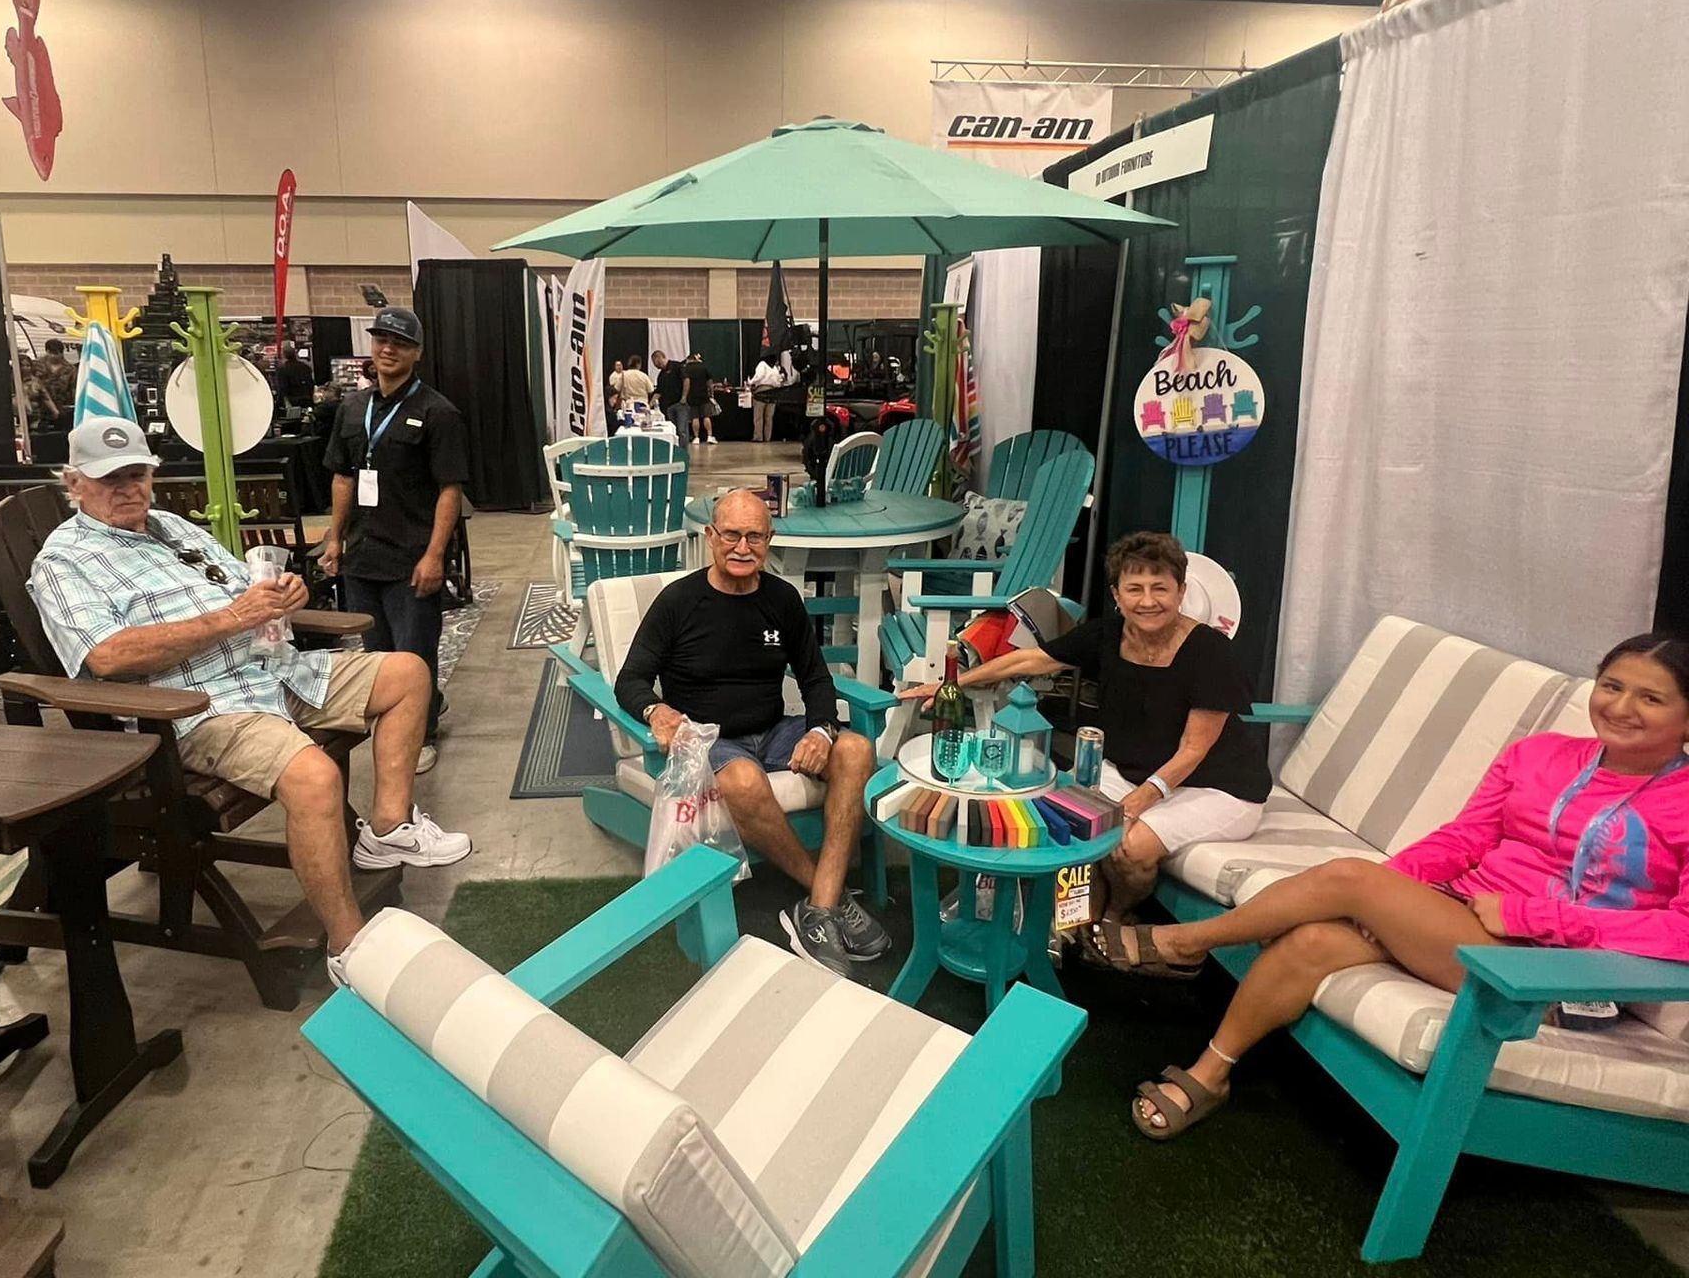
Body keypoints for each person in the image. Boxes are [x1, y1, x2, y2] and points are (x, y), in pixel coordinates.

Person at [1108, 632, 1689, 1139]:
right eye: (1611, 685)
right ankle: (1210, 1075)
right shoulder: (1540, 754)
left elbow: (1682, 932)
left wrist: (1532, 917)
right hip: (1460, 921)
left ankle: (1185, 943)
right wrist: (1391, 898)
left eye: (1651, 697)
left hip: (1558, 973)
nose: (1621, 706)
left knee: (1351, 879)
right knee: (1315, 938)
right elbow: (1465, 837)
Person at [28, 418, 460, 988]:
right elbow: (105, 657)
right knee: (313, 777)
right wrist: (232, 618)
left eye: (137, 474)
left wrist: (285, 598)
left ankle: (386, 828)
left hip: (276, 670)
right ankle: (349, 947)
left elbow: (247, 594)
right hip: (198, 707)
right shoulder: (65, 562)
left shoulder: (174, 529)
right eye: (109, 479)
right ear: (74, 483)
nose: (127, 489)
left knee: (407, 673)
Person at [901, 531, 1269, 925]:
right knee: (1054, 813)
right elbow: (1030, 661)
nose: (1148, 601)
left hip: (1216, 787)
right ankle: (1077, 914)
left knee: (1130, 846)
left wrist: (1139, 803)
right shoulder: (1108, 633)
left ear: (1181, 592)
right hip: (1130, 770)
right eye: (1135, 588)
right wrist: (953, 684)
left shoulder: (1209, 653)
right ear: (1117, 594)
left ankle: (1113, 919)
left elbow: (1193, 751)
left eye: (1160, 588)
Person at [614, 488, 891, 976]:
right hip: (710, 740)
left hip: (772, 731)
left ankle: (816, 910)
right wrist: (656, 711)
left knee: (856, 749)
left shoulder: (781, 600)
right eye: (732, 534)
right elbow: (630, 680)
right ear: (710, 537)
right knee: (742, 781)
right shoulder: (679, 602)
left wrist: (822, 733)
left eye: (755, 536)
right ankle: (829, 897)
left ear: (770, 539)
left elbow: (814, 677)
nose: (743, 547)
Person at [322, 307, 470, 785]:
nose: (388, 349)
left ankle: (421, 734)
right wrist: (334, 537)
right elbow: (345, 476)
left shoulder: (438, 413)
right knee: (377, 654)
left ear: (417, 353)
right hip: (363, 555)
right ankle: (402, 717)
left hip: (411, 557)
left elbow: (450, 489)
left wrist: (434, 556)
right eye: (381, 339)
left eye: (400, 342)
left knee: (415, 652)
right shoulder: (352, 409)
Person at [35, 339, 77, 423]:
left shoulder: (70, 369)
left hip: (62, 406)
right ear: (47, 351)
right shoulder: (37, 365)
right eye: (52, 353)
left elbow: (73, 388)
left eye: (58, 353)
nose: (55, 356)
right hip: (39, 407)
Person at [748, 350, 785, 442]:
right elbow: (779, 381)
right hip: (773, 392)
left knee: (758, 416)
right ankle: (767, 437)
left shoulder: (762, 364)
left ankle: (758, 437)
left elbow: (759, 376)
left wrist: (750, 382)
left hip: (762, 390)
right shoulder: (776, 368)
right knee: (769, 417)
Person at [682, 351, 717, 446]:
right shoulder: (703, 367)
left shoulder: (686, 369)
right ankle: (709, 436)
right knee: (706, 416)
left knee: (694, 417)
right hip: (703, 395)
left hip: (691, 396)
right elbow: (710, 382)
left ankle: (696, 437)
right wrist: (711, 393)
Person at [652, 350, 685, 435]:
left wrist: (684, 397)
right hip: (668, 407)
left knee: (682, 430)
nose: (654, 365)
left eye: (654, 361)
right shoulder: (661, 375)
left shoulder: (677, 366)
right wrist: (649, 405)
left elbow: (686, 380)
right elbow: (658, 392)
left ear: (659, 358)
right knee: (672, 431)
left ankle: (683, 448)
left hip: (680, 404)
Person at [276, 342, 316, 410]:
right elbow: (311, 384)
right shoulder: (306, 367)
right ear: (295, 354)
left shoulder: (282, 370)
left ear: (284, 355)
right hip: (307, 400)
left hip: (292, 402)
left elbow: (283, 389)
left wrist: (279, 404)